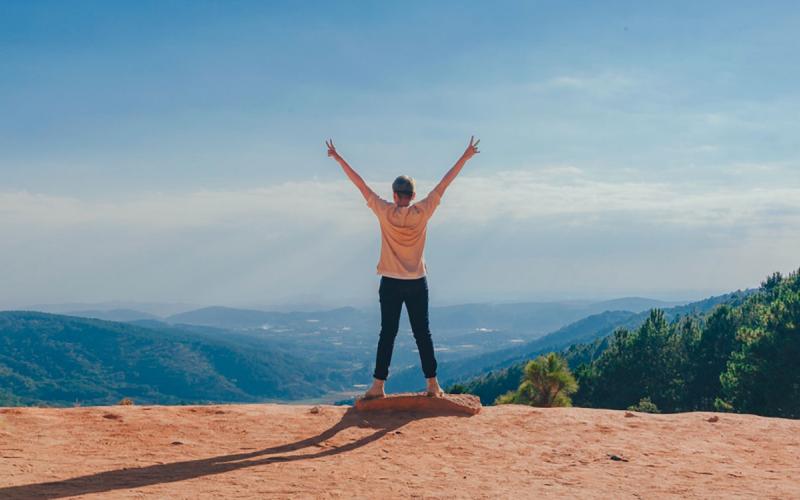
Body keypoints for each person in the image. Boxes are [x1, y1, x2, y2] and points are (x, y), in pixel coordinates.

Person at [326, 136, 481, 399]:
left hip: (390, 281)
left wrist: (339, 159)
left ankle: (378, 385)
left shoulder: (384, 211)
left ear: (395, 195)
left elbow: (360, 185)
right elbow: (445, 184)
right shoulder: (423, 211)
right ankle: (433, 384)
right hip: (417, 281)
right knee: (423, 333)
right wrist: (465, 157)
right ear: (413, 196)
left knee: (387, 333)